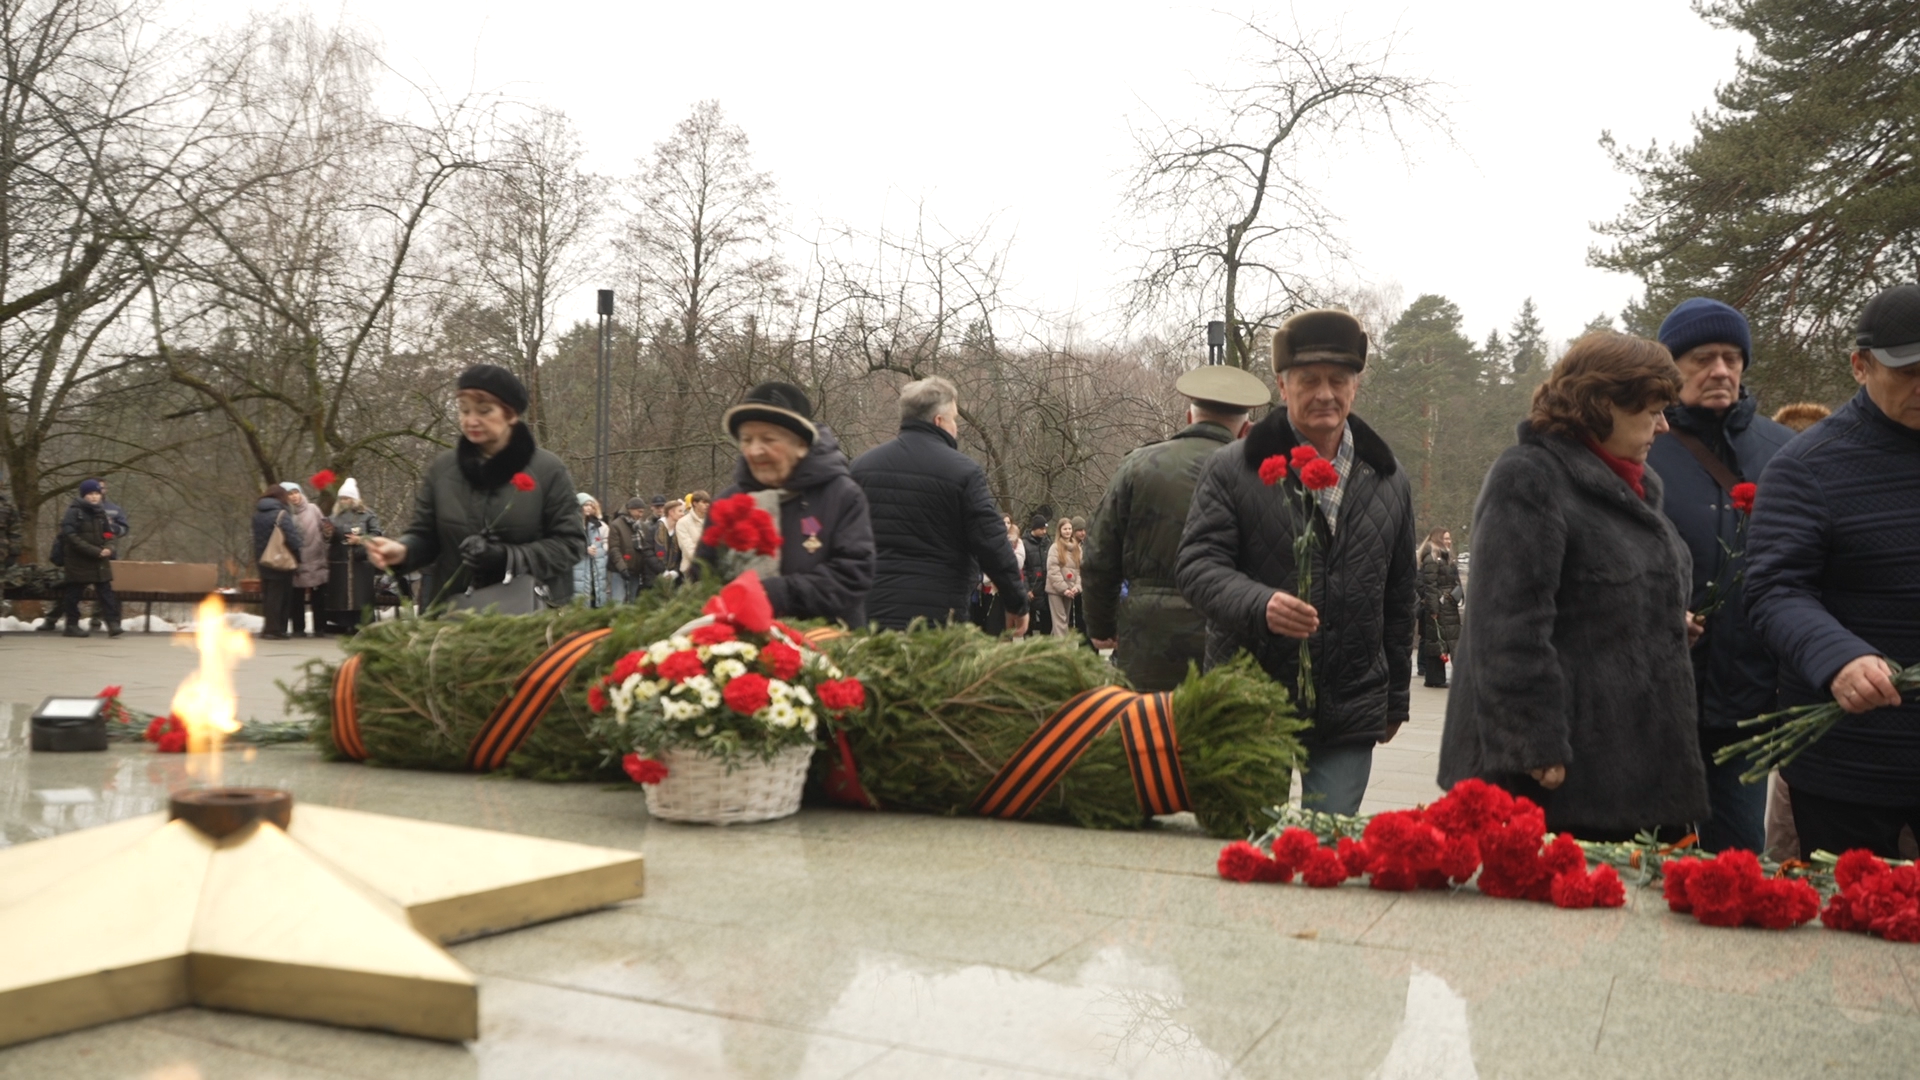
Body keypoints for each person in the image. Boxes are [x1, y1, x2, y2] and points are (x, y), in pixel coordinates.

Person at [1439, 332, 1709, 838]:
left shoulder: (1635, 483)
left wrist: (1661, 617)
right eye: (1651, 411)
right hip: (1560, 773)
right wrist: (1532, 744)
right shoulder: (1530, 478)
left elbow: (1597, 590)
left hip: (1623, 758)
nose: (1664, 426)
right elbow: (1506, 625)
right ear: (1605, 404)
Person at [1179, 309, 1416, 816]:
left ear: (1356, 386)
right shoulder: (1232, 468)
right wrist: (1259, 604)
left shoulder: (1388, 478)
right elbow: (1197, 566)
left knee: (1324, 852)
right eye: (1309, 381)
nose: (1325, 394)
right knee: (1248, 844)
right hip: (1251, 696)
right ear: (1283, 387)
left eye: (1339, 380)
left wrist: (1395, 697)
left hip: (1349, 703)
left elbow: (1399, 595)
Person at [1746, 283, 1920, 860]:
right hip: (1851, 767)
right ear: (1859, 365)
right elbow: (1775, 589)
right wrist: (1838, 656)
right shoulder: (1806, 467)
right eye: (1908, 369)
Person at [1643, 298, 1796, 852]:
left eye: (1732, 358)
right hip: (1655, 699)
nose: (1721, 371)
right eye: (1703, 358)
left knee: (1736, 858)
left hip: (1748, 701)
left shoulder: (1786, 453)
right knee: (1650, 858)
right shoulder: (1641, 446)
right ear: (1672, 369)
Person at [1084, 365, 1270, 690]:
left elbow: (1100, 554)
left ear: (1189, 417)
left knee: (1144, 733)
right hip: (1228, 636)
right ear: (1245, 430)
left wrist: (1101, 625)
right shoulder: (1259, 477)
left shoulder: (1138, 465)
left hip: (1145, 638)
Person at [362, 364, 587, 608]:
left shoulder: (548, 470)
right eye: (464, 410)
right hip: (453, 614)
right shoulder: (443, 470)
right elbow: (425, 536)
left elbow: (571, 544)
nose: (471, 420)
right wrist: (403, 551)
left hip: (527, 618)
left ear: (510, 414)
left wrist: (508, 558)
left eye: (483, 411)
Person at [851, 376, 1027, 633]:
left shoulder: (860, 467)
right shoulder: (963, 472)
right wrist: (1017, 602)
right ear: (939, 421)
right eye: (954, 418)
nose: (956, 426)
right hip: (937, 618)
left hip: (870, 612)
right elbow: (991, 543)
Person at [696, 381, 875, 626]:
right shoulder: (728, 503)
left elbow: (852, 574)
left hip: (827, 645)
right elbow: (700, 579)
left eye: (768, 439)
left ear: (801, 445)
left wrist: (775, 594)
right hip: (737, 647)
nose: (755, 450)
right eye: (747, 440)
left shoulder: (842, 495)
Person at [55, 479, 122, 637]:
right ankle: (71, 625)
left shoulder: (100, 513)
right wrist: (94, 551)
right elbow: (70, 536)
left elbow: (108, 534)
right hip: (78, 561)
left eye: (97, 493)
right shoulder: (74, 512)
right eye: (90, 494)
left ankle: (112, 624)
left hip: (99, 561)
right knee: (74, 593)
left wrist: (109, 548)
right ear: (84, 495)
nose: (94, 497)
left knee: (106, 592)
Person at [321, 478, 382, 635]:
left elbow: (377, 535)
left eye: (346, 498)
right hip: (340, 562)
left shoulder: (368, 515)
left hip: (361, 562)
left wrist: (360, 540)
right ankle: (342, 624)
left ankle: (362, 624)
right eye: (341, 498)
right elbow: (328, 539)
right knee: (341, 596)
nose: (343, 501)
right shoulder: (334, 517)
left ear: (354, 499)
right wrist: (328, 533)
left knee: (361, 597)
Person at [281, 482, 332, 637]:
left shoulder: (313, 509)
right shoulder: (285, 513)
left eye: (296, 492)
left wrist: (328, 531)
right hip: (297, 560)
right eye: (290, 494)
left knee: (319, 597)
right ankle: (298, 629)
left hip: (316, 558)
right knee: (297, 597)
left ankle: (320, 628)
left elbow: (325, 531)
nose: (294, 496)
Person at [252, 487, 303, 639]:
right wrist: (298, 556)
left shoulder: (257, 514)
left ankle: (268, 627)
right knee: (281, 596)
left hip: (263, 559)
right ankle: (276, 629)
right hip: (280, 559)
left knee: (268, 595)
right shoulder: (282, 514)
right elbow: (292, 539)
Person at [1415, 527, 1463, 689]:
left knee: (1446, 641)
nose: (1449, 541)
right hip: (1441, 607)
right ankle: (1435, 678)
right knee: (1437, 643)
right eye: (1446, 538)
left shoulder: (1446, 557)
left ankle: (1443, 677)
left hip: (1449, 606)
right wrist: (1434, 609)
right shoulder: (1432, 558)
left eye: (1449, 538)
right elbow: (1430, 585)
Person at [1044, 517, 1081, 638]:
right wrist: (1063, 588)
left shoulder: (1077, 549)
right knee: (1060, 621)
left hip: (1070, 590)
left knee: (1062, 622)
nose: (1068, 531)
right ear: (1060, 530)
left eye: (1070, 529)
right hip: (1056, 590)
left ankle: (1050, 650)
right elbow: (1053, 571)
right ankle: (1062, 650)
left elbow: (1080, 571)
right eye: (1065, 529)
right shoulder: (1054, 548)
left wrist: (1077, 587)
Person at [607, 498, 648, 604]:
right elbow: (614, 548)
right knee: (618, 601)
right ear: (631, 509)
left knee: (634, 601)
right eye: (639, 511)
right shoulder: (616, 525)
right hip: (619, 571)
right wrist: (622, 568)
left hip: (636, 570)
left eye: (642, 512)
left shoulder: (642, 526)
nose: (641, 515)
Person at [572, 494, 609, 607]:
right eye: (586, 505)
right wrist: (584, 549)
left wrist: (602, 553)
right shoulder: (572, 525)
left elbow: (602, 546)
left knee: (595, 601)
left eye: (591, 505)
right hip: (579, 570)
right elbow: (568, 545)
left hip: (595, 570)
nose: (589, 508)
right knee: (581, 602)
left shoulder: (596, 525)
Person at [1022, 515, 1052, 637]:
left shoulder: (1047, 543)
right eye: (1041, 529)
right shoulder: (1024, 544)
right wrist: (1027, 589)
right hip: (1032, 589)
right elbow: (1022, 569)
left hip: (1046, 589)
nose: (1044, 532)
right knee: (1030, 622)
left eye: (1045, 529)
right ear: (1034, 528)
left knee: (1046, 622)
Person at [676, 491, 710, 574]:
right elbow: (687, 547)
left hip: (710, 570)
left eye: (708, 502)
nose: (707, 505)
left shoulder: (711, 520)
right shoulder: (682, 522)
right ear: (695, 503)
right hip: (691, 569)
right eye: (704, 502)